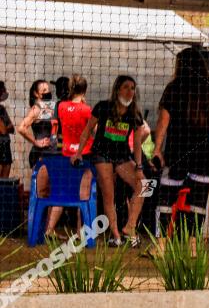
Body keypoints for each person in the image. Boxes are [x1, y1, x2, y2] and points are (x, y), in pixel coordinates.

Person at [151, 47, 209, 245]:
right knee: (198, 201)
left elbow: (163, 121)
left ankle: (161, 246)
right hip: (204, 154)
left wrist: (157, 149)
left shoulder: (174, 88)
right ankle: (193, 245)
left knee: (166, 198)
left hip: (178, 151)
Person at [72, 75, 147, 247]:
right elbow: (87, 131)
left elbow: (136, 144)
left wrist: (139, 166)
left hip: (122, 156)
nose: (130, 92)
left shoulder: (134, 114)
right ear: (117, 89)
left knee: (144, 185)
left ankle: (129, 227)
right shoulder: (103, 107)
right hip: (101, 154)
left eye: (133, 88)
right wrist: (78, 153)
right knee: (109, 194)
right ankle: (115, 235)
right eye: (126, 87)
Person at [50, 75, 95, 233]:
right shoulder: (87, 110)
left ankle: (49, 229)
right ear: (85, 90)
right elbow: (94, 132)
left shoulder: (61, 106)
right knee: (83, 193)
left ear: (70, 89)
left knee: (62, 192)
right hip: (84, 154)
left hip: (66, 154)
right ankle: (79, 231)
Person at [17, 79, 55, 215]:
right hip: (39, 155)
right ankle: (35, 228)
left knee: (50, 192)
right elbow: (21, 128)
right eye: (44, 90)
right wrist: (36, 142)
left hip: (51, 154)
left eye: (48, 89)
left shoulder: (50, 106)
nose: (48, 92)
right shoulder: (37, 108)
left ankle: (47, 231)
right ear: (36, 94)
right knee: (41, 192)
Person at [0, 81, 13, 178]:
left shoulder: (2, 109)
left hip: (5, 144)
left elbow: (12, 127)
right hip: (1, 145)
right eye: (3, 90)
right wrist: (6, 127)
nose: (5, 92)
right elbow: (4, 130)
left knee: (5, 178)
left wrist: (6, 128)